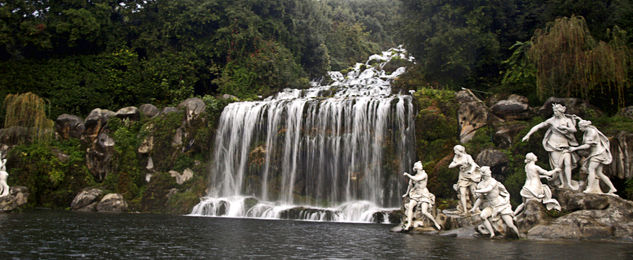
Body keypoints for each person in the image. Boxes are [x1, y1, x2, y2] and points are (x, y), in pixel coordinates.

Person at [522, 104, 579, 190]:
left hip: (564, 145)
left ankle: (569, 183)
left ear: (561, 112)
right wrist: (528, 134)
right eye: (554, 111)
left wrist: (566, 128)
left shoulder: (567, 120)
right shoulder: (552, 120)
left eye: (556, 111)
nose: (555, 113)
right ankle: (562, 183)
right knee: (558, 166)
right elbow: (539, 126)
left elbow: (574, 129)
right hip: (553, 145)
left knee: (567, 163)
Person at [569, 120, 618, 195]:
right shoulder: (589, 130)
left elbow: (587, 145)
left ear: (584, 126)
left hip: (598, 153)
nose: (579, 129)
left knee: (591, 169)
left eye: (580, 127)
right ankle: (612, 188)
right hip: (597, 152)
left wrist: (575, 148)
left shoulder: (591, 132)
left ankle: (590, 188)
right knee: (599, 172)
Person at [471, 166, 519, 238]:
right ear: (484, 173)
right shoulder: (480, 185)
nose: (490, 172)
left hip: (501, 205)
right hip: (491, 206)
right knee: (483, 216)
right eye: (488, 171)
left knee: (510, 224)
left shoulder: (493, 181)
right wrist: (474, 208)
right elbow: (480, 198)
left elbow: (488, 189)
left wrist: (477, 191)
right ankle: (492, 233)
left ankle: (518, 236)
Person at [402, 161, 441, 230]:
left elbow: (417, 179)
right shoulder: (414, 176)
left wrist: (408, 175)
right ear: (416, 168)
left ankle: (435, 223)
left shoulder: (424, 174)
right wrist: (406, 193)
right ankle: (409, 224)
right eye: (420, 165)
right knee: (410, 206)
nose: (422, 166)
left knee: (424, 211)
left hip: (424, 195)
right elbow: (410, 186)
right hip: (416, 195)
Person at [448, 145, 479, 215]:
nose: (455, 152)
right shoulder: (456, 157)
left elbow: (473, 165)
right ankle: (464, 210)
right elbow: (450, 166)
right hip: (462, 176)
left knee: (473, 193)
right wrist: (458, 163)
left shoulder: (467, 156)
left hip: (470, 176)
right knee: (462, 193)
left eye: (455, 150)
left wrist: (471, 171)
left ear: (459, 150)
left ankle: (476, 208)